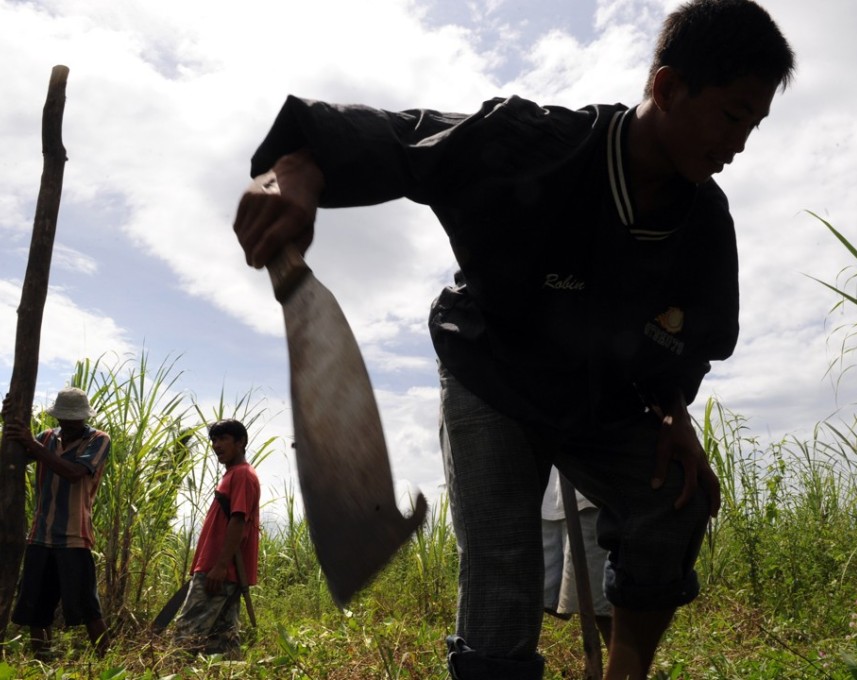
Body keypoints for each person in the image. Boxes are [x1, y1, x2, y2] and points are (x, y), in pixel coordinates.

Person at [232, 1, 795, 676]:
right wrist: (298, 172)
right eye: (732, 116)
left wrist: (675, 414)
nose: (739, 143)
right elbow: (398, 137)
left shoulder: (703, 222)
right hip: (492, 372)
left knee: (676, 500)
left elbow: (691, 340)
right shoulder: (530, 144)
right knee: (503, 577)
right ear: (669, 88)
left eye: (754, 125)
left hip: (599, 399)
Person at [2, 387, 111, 659]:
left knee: (88, 607)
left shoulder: (98, 439)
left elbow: (74, 473)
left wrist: (32, 444)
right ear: (58, 418)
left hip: (75, 537)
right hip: (40, 536)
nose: (70, 423)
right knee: (37, 609)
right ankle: (43, 660)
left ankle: (105, 662)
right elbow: (12, 456)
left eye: (75, 418)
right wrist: (10, 422)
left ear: (84, 418)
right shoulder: (47, 438)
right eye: (65, 418)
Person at [172, 419, 260, 656]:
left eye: (224, 439)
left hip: (219, 570)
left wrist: (220, 565)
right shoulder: (234, 474)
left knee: (185, 635)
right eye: (214, 440)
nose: (217, 445)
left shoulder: (241, 474)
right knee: (223, 642)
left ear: (241, 442)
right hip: (223, 571)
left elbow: (239, 520)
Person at [542, 467, 612, 647]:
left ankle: (625, 671)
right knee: (536, 598)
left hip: (592, 493)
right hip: (551, 495)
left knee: (604, 608)